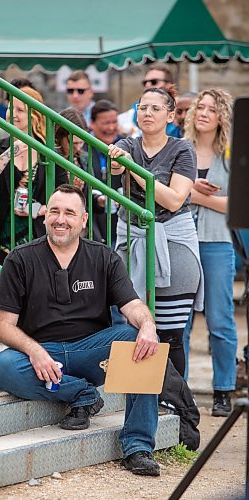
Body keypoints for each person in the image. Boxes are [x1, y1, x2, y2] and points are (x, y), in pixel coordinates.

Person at [0, 184, 160, 477]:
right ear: (44, 217)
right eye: (54, 211)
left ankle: (137, 446)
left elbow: (132, 304)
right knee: (4, 367)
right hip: (44, 355)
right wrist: (34, 350)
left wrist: (147, 325)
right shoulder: (20, 259)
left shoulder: (103, 257)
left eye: (70, 213)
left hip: (91, 352)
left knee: (141, 342)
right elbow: (3, 326)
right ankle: (81, 393)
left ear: (83, 220)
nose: (60, 219)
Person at [109, 86, 204, 378]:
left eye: (155, 108)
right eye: (142, 107)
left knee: (170, 335)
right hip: (132, 241)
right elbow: (113, 175)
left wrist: (132, 168)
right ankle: (137, 398)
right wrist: (117, 165)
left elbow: (174, 200)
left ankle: (176, 408)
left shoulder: (183, 148)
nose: (147, 113)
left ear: (170, 115)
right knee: (131, 331)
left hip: (174, 242)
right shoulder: (126, 143)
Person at [0, 85, 67, 287]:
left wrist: (39, 209)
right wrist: (11, 152)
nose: (13, 114)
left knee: (32, 296)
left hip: (36, 237)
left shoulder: (50, 153)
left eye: (20, 110)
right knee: (5, 295)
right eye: (11, 108)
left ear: (34, 115)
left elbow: (64, 192)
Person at [183, 88, 237, 417]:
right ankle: (180, 388)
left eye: (211, 109)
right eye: (199, 107)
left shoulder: (230, 157)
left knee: (220, 319)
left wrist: (191, 194)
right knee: (181, 319)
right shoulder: (180, 149)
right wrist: (189, 192)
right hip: (182, 241)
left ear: (222, 117)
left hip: (218, 242)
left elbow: (236, 204)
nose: (203, 112)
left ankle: (223, 390)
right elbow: (164, 191)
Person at [90, 99, 123, 246]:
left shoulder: (125, 145)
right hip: (93, 225)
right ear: (92, 123)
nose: (111, 127)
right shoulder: (83, 147)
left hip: (120, 226)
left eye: (114, 122)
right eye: (105, 123)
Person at [118, 63, 174, 138]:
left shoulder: (182, 109)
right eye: (145, 83)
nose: (147, 85)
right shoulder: (134, 111)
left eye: (154, 82)